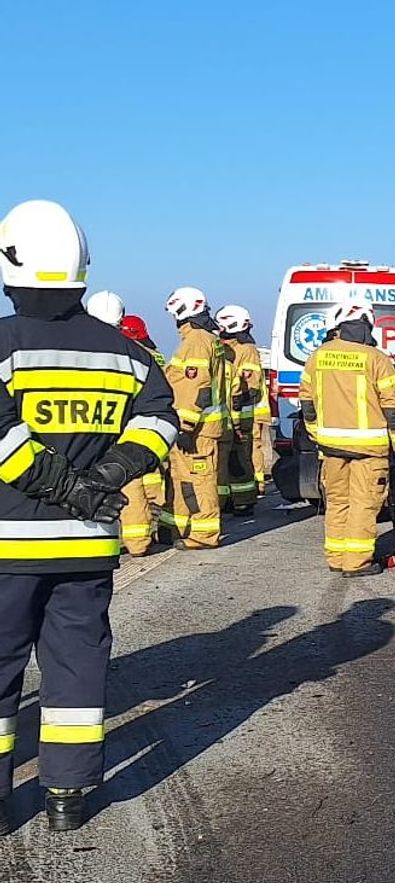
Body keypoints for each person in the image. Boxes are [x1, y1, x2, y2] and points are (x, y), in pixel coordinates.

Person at [0, 200, 178, 832]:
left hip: (8, 546)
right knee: (77, 668)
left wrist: (68, 485)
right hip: (86, 545)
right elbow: (161, 420)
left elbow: (3, 439)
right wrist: (105, 477)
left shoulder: (3, 345)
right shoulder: (125, 353)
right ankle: (67, 798)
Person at [298, 296, 395, 577]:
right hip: (369, 449)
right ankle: (356, 562)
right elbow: (392, 406)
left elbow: (307, 402)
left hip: (330, 447)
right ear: (368, 324)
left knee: (337, 502)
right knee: (364, 504)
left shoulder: (318, 357)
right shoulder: (376, 358)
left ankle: (337, 557)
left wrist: (315, 434)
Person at [161, 287, 230, 549]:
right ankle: (178, 527)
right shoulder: (202, 339)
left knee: (199, 481)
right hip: (200, 426)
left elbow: (196, 387)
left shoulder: (196, 342)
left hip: (198, 429)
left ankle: (204, 534)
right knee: (183, 479)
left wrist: (186, 426)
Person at [117, 316, 168, 556]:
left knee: (131, 483)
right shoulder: (155, 354)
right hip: (154, 426)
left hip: (129, 425)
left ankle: (137, 539)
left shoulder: (128, 355)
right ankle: (156, 521)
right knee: (153, 477)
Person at [215, 305, 259, 513]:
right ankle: (229, 500)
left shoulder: (246, 349)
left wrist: (239, 419)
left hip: (240, 414)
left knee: (239, 460)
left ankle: (244, 500)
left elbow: (250, 386)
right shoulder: (222, 346)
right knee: (226, 461)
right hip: (225, 413)